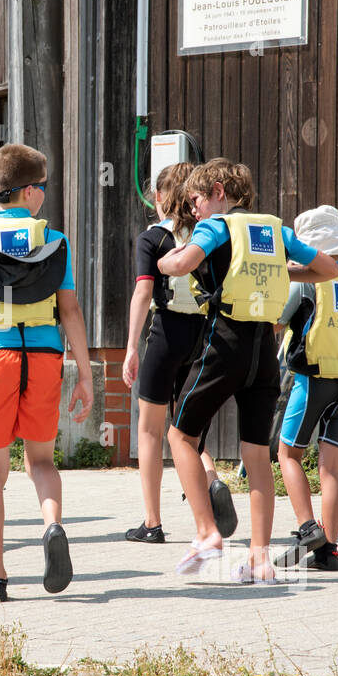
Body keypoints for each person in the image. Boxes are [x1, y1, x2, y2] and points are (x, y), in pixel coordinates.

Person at [156, 158, 338, 584]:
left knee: (180, 435)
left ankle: (206, 534)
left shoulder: (218, 226)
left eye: (197, 200)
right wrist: (287, 269)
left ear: (218, 191)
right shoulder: (275, 230)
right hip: (264, 350)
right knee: (256, 455)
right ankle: (260, 559)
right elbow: (328, 270)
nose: (195, 210)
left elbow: (182, 266)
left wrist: (163, 263)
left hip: (226, 342)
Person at [0, 143, 93, 602]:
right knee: (42, 461)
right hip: (45, 355)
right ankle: (52, 526)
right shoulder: (56, 241)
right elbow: (70, 310)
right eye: (43, 188)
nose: (44, 196)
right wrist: (84, 373)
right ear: (28, 191)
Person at [121, 162, 236, 544]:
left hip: (166, 331)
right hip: (205, 332)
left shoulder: (152, 237)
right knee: (188, 427)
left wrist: (130, 348)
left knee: (151, 429)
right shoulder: (212, 232)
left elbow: (142, 292)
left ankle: (152, 521)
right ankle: (211, 479)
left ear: (157, 196)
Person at [272, 207, 338, 571]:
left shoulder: (302, 280)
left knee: (288, 456)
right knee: (330, 468)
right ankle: (329, 551)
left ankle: (306, 528)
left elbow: (275, 322)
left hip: (311, 380)